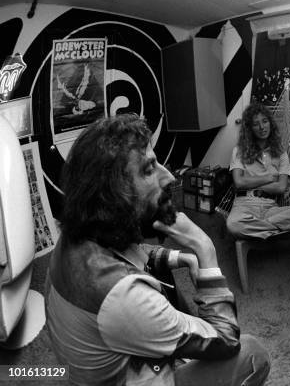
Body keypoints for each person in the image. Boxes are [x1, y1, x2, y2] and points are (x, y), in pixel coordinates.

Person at [45, 114, 270, 386]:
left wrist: (180, 257)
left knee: (165, 275)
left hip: (104, 360)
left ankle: (178, 342)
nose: (168, 178)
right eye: (149, 170)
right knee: (253, 354)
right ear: (114, 193)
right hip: (131, 376)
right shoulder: (125, 295)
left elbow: (133, 251)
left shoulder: (76, 236)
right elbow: (226, 340)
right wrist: (204, 249)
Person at [226, 103, 290, 240]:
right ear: (249, 129)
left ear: (270, 123)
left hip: (271, 208)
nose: (262, 127)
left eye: (265, 121)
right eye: (256, 124)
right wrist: (269, 178)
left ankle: (263, 229)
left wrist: (250, 182)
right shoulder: (239, 150)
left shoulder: (281, 153)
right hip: (244, 205)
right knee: (233, 224)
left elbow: (281, 187)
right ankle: (279, 229)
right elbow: (239, 183)